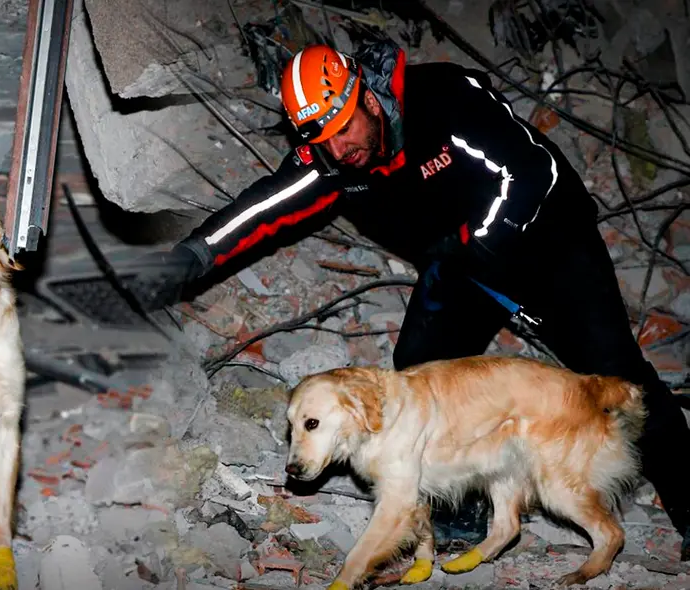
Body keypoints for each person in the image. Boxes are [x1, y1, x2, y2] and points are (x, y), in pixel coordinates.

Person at [127, 36, 690, 560]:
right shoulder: (332, 159)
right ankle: (464, 506)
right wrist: (190, 258)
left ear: (366, 99)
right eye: (322, 143)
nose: (341, 150)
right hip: (462, 263)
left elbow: (530, 172)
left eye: (345, 131)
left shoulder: (443, 98)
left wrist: (476, 242)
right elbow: (263, 207)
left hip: (550, 241)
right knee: (420, 374)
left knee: (616, 377)